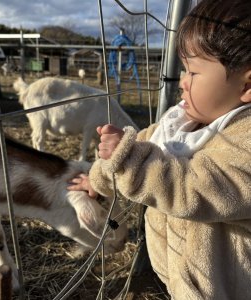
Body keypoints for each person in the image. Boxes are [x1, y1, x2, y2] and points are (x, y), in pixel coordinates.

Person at [68, 0, 251, 298]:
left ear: (246, 85)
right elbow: (138, 147)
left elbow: (197, 188)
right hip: (179, 277)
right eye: (182, 70)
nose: (182, 82)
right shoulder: (182, 121)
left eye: (192, 72)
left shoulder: (245, 139)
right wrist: (98, 178)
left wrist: (130, 162)